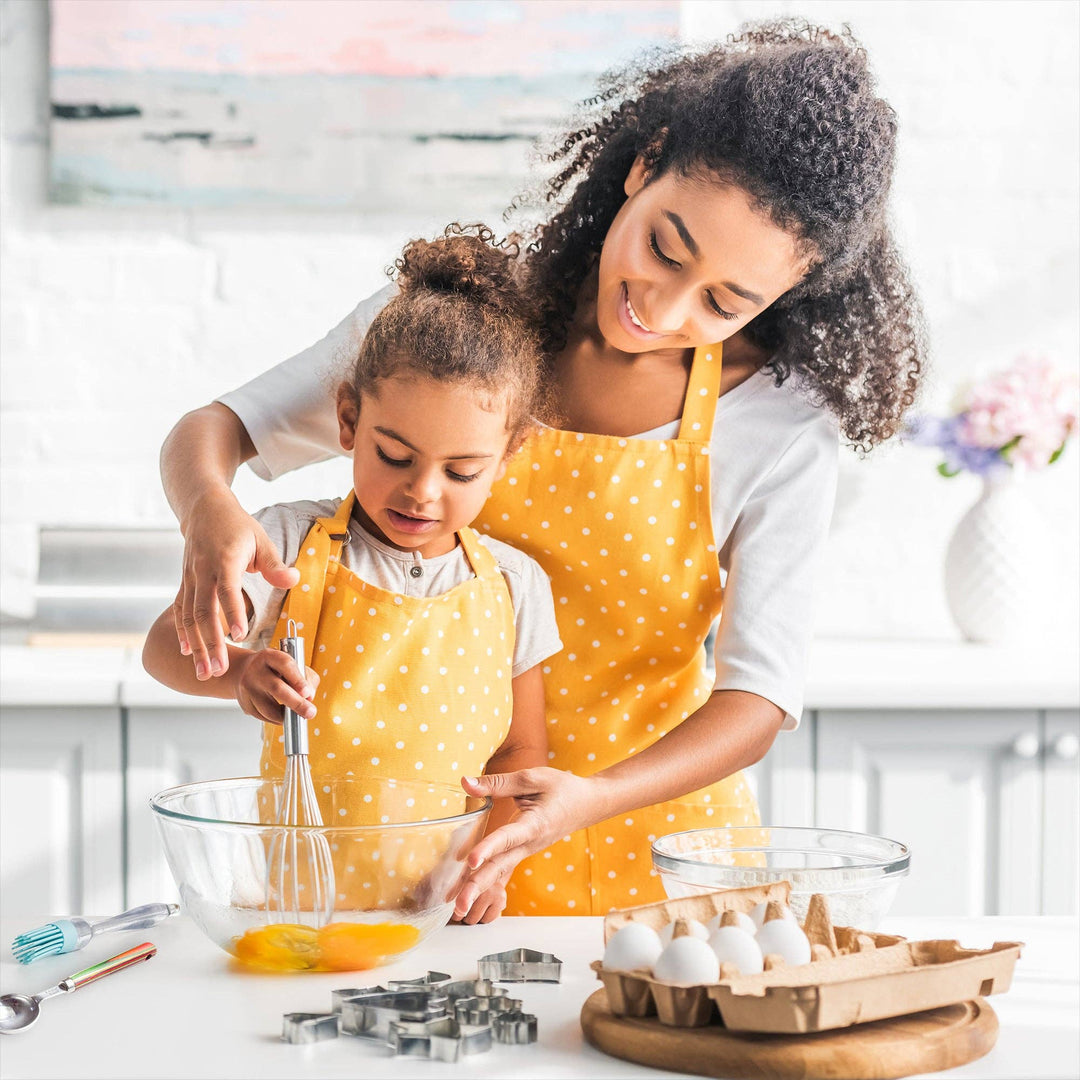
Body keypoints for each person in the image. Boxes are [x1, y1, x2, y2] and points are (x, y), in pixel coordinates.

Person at [157, 21, 925, 916]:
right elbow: (216, 430)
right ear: (644, 163)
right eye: (665, 249)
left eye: (724, 300)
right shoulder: (455, 329)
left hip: (665, 860)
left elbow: (759, 697)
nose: (663, 306)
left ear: (788, 292)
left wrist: (590, 797)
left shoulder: (779, 422)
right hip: (434, 861)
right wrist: (209, 507)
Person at [143, 227, 563, 924]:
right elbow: (165, 649)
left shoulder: (516, 585)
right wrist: (240, 671)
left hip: (444, 921)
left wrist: (494, 861)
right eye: (394, 455)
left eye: (461, 472)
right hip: (299, 914)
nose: (423, 492)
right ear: (347, 420)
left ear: (510, 453)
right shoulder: (287, 545)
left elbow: (521, 751)